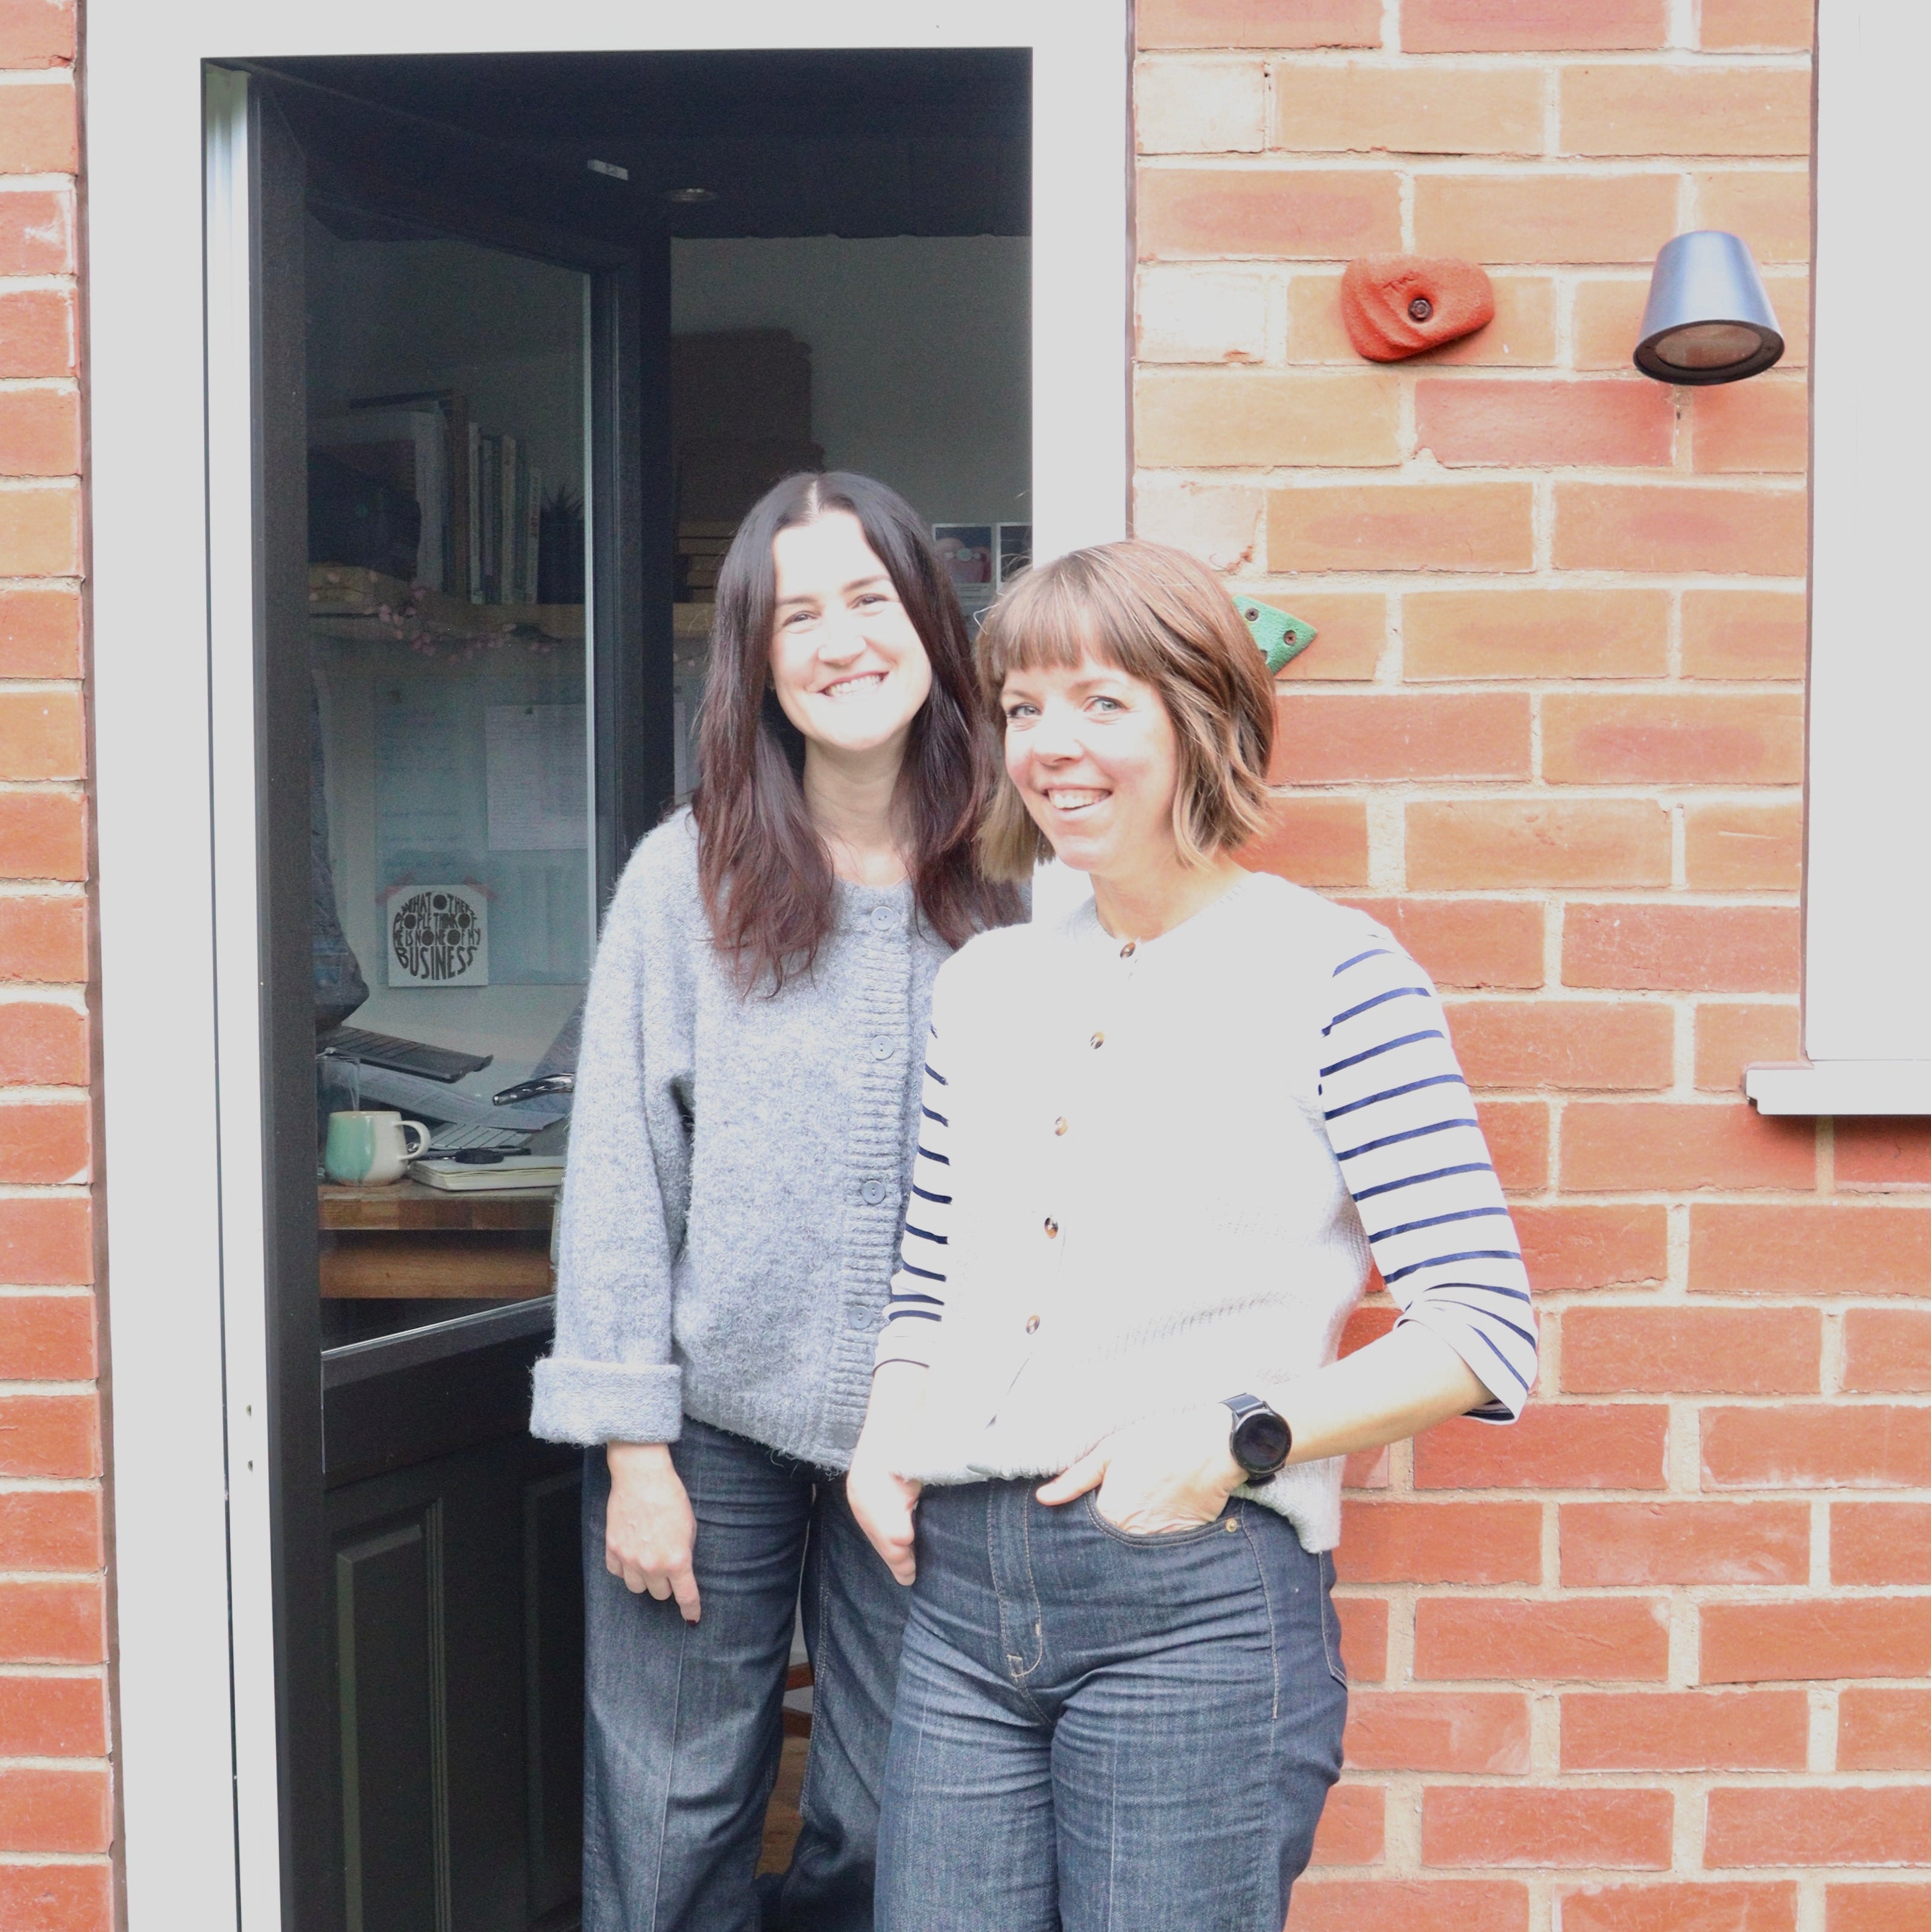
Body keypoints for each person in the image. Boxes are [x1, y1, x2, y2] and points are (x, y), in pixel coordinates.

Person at [846, 539, 1538, 1932]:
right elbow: (931, 1271)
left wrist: (1229, 1441)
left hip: (1194, 1602)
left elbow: (1480, 1328)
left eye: (1103, 703)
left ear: (1201, 714)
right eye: (1027, 709)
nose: (1053, 747)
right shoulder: (983, 986)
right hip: (962, 1604)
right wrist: (885, 1428)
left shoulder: (1339, 979)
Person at [530, 471, 1022, 1932]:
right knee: (670, 1817)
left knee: (891, 1815)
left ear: (934, 622)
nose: (840, 640)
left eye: (869, 598)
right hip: (714, 1431)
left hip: (936, 1434)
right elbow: (621, 1171)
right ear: (754, 657)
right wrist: (635, 1454)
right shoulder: (682, 880)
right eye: (796, 613)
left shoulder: (1023, 873)